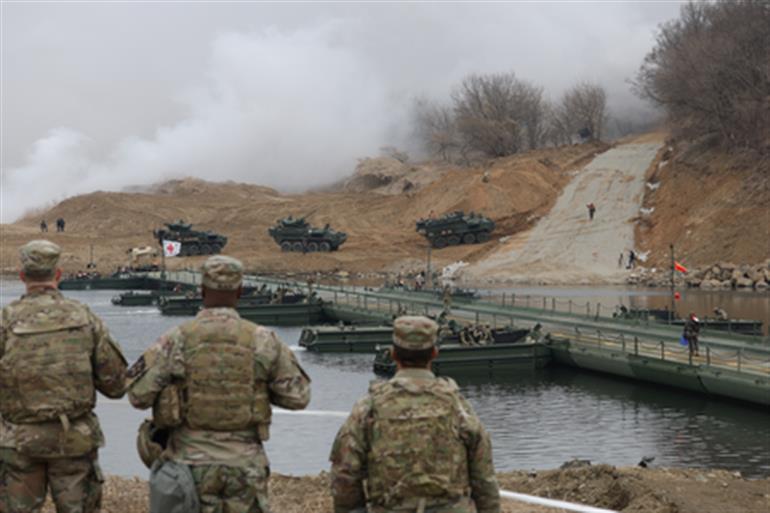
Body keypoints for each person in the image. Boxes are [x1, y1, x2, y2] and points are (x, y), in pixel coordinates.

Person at [126, 255, 311, 513]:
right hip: (244, 465)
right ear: (239, 291)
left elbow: (138, 395)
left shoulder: (177, 339)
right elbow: (298, 396)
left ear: (202, 290)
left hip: (189, 466)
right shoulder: (263, 340)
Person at [0, 240, 127, 513]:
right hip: (74, 440)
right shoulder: (84, 318)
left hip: (19, 441)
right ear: (58, 274)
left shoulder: (5, 320)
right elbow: (116, 385)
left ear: (22, 277)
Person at [330, 315, 500, 513]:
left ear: (393, 354)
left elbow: (345, 473)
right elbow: (484, 477)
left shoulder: (369, 407)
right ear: (434, 354)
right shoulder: (458, 406)